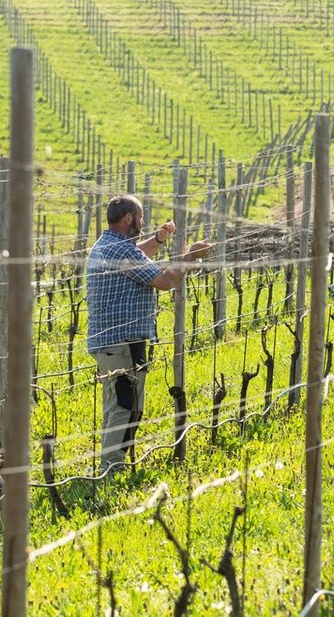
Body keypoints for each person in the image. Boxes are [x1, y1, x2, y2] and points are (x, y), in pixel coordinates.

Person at [85, 194, 213, 473]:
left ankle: (108, 464)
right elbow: (165, 281)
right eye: (140, 218)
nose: (142, 223)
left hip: (107, 343)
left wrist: (157, 239)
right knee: (127, 406)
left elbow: (136, 256)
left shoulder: (106, 245)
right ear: (129, 218)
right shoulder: (123, 250)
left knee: (116, 404)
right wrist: (191, 256)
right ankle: (112, 468)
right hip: (124, 343)